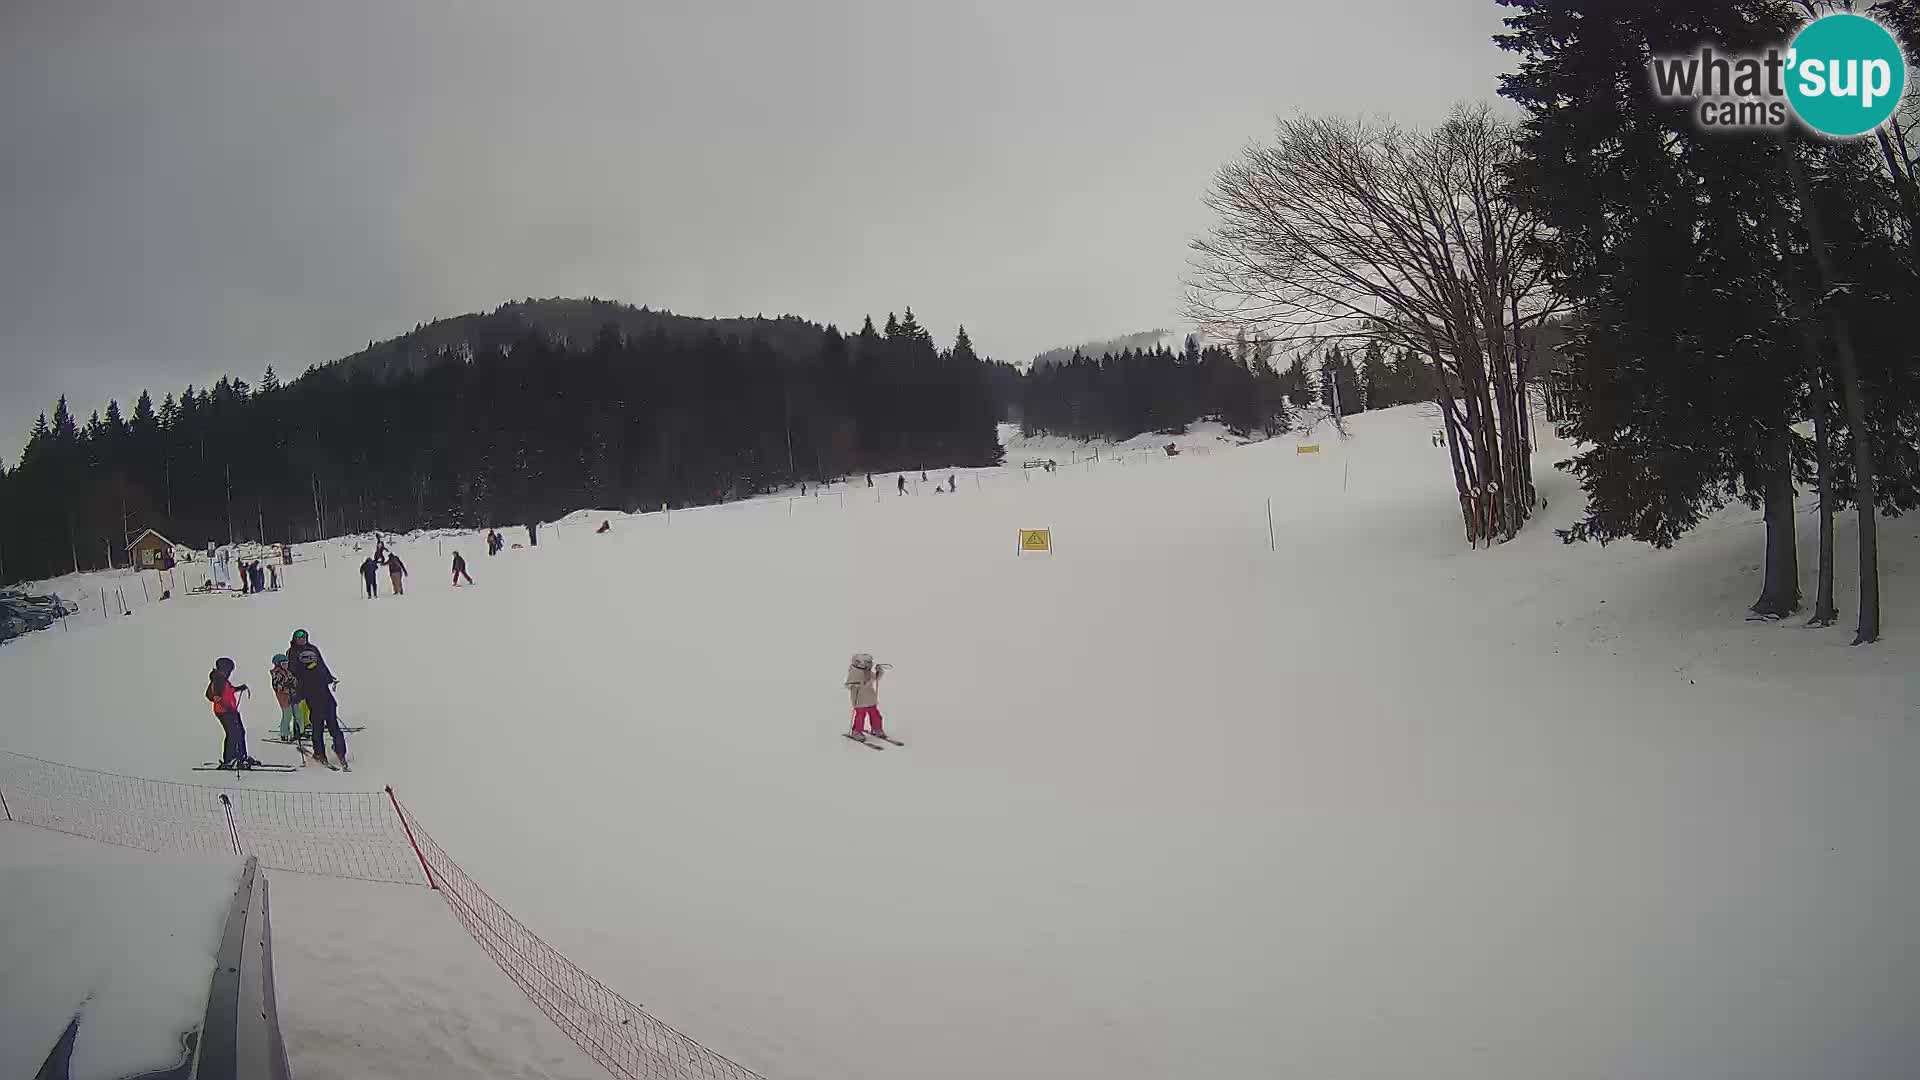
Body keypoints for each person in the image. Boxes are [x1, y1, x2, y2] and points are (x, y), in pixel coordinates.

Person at [288, 629, 347, 769]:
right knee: (317, 724)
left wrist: (329, 677)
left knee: (332, 723)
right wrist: (296, 690)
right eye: (298, 637)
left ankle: (340, 751)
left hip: (323, 690)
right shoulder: (293, 652)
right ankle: (320, 753)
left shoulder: (313, 649)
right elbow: (293, 671)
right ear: (294, 639)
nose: (301, 639)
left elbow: (321, 664)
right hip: (310, 691)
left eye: (303, 637)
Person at [206, 657, 259, 769]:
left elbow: (227, 691)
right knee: (234, 734)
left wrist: (238, 689)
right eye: (229, 670)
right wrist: (225, 705)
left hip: (229, 711)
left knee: (239, 733)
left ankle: (241, 757)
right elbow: (211, 695)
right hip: (225, 712)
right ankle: (230, 759)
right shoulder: (218, 680)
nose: (230, 673)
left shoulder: (221, 679)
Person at [844, 653, 888, 739]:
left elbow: (875, 678)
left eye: (870, 662)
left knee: (875, 714)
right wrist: (857, 684)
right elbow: (849, 684)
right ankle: (856, 731)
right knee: (860, 716)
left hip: (870, 698)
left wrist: (879, 672)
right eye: (867, 662)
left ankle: (876, 728)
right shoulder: (854, 671)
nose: (870, 664)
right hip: (859, 699)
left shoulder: (867, 671)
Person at [271, 653, 306, 742]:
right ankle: (284, 733)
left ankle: (300, 731)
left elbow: (294, 681)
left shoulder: (288, 672)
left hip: (293, 696)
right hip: (284, 698)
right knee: (287, 715)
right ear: (278, 664)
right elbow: (277, 686)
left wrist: (295, 684)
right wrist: (285, 684)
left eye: (287, 663)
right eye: (283, 664)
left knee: (298, 714)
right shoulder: (276, 673)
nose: (286, 665)